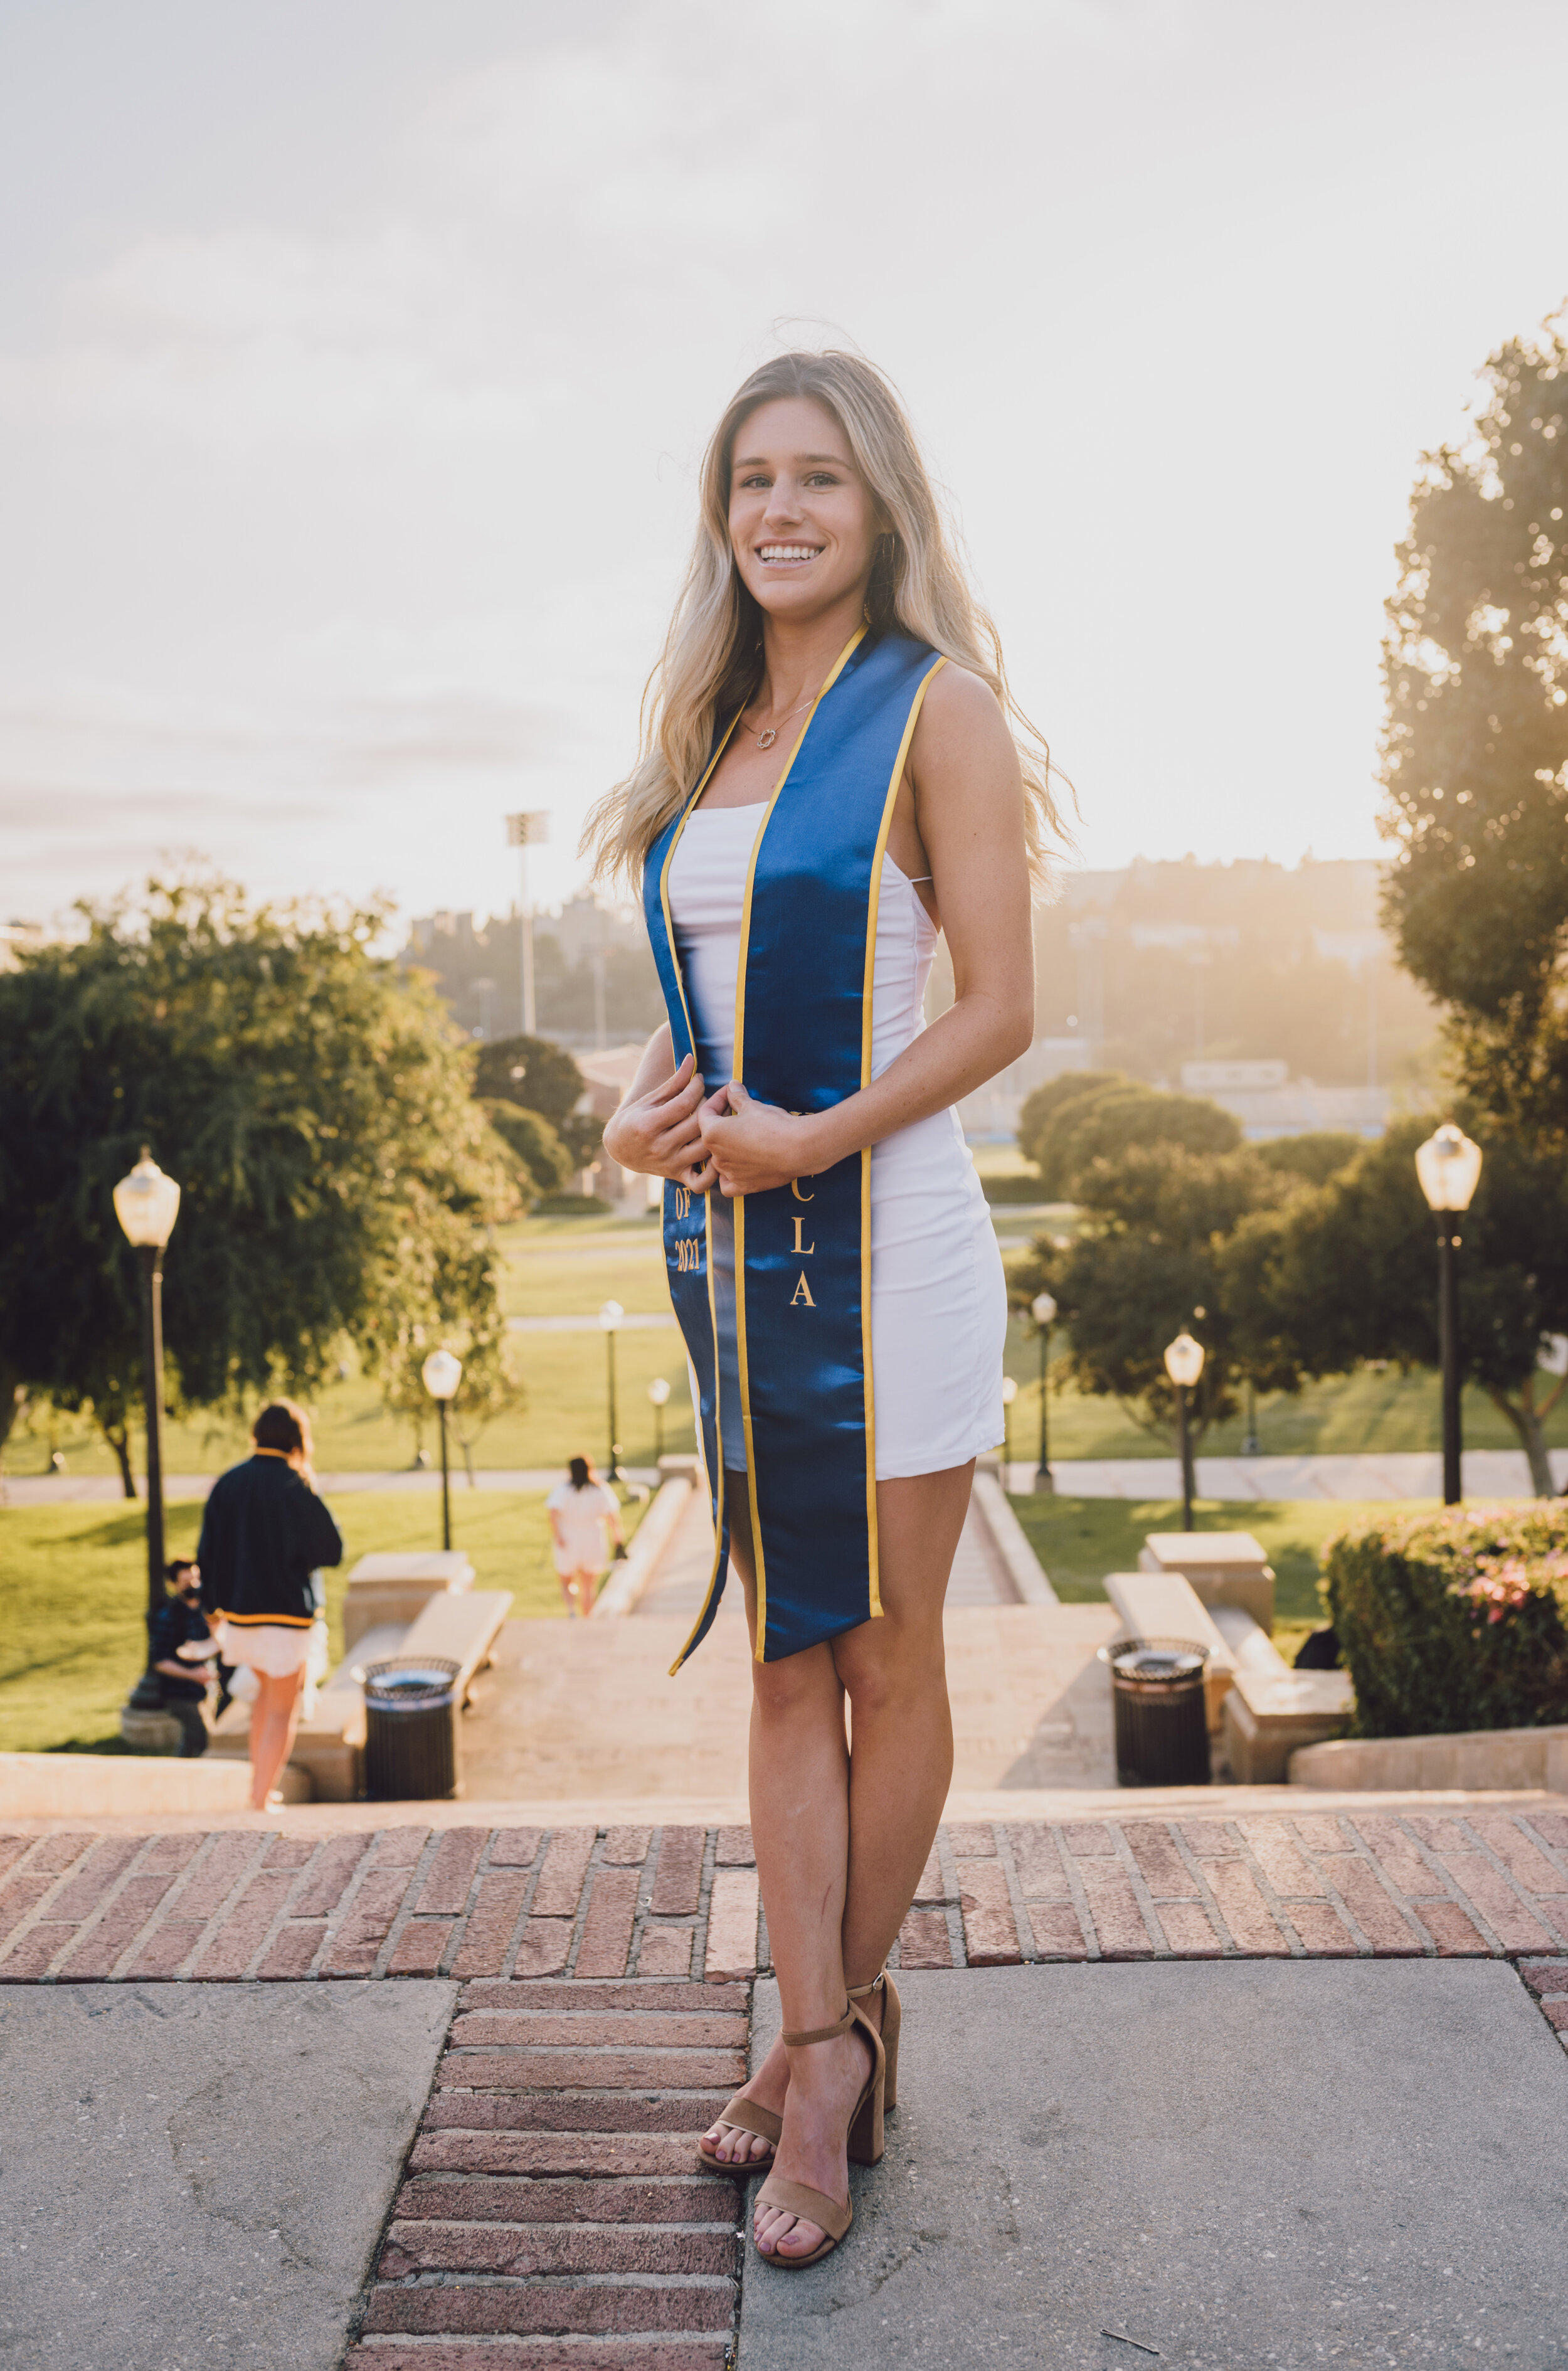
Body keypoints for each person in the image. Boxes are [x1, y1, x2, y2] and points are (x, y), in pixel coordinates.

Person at [590, 351, 1056, 2267]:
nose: (777, 510)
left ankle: (821, 2066)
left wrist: (815, 1145)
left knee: (883, 1669)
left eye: (817, 480)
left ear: (879, 509)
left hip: (893, 1255)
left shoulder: (935, 711)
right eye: (750, 481)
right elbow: (698, 1002)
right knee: (781, 1671)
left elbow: (998, 1009)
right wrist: (641, 1117)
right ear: (723, 514)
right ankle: (814, 2034)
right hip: (731, 1264)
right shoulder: (706, 733)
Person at [196, 1401, 342, 1811]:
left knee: (263, 1699)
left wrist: (212, 1613)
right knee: (283, 1707)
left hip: (241, 1616)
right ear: (298, 1439)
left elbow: (207, 1554)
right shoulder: (296, 1485)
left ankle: (259, 1790)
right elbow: (332, 1548)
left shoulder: (228, 1483)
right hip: (287, 1616)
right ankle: (260, 1799)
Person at [149, 1558, 216, 1757]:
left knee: (190, 1743)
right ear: (175, 1584)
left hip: (206, 1688)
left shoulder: (207, 1609)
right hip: (181, 1693)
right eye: (187, 1582)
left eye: (196, 1580)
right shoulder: (168, 1616)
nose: (194, 1586)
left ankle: (177, 1771)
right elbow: (159, 1661)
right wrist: (191, 1674)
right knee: (205, 1739)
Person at [545, 1456, 625, 1616]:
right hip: (593, 1538)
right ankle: (587, 1617)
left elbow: (553, 1513)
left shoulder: (563, 1490)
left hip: (568, 1538)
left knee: (567, 1580)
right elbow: (612, 1516)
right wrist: (617, 1536)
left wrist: (558, 1535)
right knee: (588, 1584)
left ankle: (571, 1610)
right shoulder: (600, 1489)